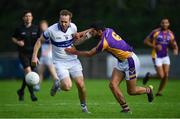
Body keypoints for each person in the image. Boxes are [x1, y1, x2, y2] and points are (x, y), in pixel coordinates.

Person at [65, 22, 154, 113]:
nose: (91, 33)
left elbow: (90, 53)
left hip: (131, 62)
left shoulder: (104, 42)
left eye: (93, 32)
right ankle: (126, 109)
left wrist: (74, 52)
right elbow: (90, 30)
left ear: (99, 31)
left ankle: (148, 90)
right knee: (112, 85)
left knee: (132, 91)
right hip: (121, 61)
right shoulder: (108, 29)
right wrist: (80, 33)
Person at [32, 9, 89, 113]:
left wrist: (86, 37)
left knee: (81, 85)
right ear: (59, 19)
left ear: (70, 21)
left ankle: (84, 107)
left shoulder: (73, 27)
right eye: (61, 21)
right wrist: (34, 56)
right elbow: (39, 40)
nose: (63, 23)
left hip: (73, 60)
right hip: (59, 62)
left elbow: (75, 43)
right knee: (67, 87)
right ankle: (58, 83)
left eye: (65, 22)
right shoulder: (51, 30)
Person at [143, 18, 178, 96]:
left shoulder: (170, 33)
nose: (164, 24)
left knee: (166, 75)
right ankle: (150, 76)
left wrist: (176, 49)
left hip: (165, 56)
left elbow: (173, 43)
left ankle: (159, 92)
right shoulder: (155, 32)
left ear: (169, 24)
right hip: (156, 56)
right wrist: (154, 46)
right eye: (163, 23)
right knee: (161, 76)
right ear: (160, 24)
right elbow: (145, 41)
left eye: (166, 23)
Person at [12, 10, 40, 101]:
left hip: (33, 55)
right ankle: (32, 95)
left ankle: (21, 91)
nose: (28, 18)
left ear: (32, 18)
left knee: (28, 75)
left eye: (30, 16)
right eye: (26, 16)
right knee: (28, 73)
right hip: (23, 54)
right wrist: (17, 42)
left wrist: (36, 55)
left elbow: (40, 40)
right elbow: (13, 37)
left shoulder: (36, 28)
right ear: (23, 18)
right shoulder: (19, 29)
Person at [37, 20, 58, 88]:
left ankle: (58, 85)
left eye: (44, 25)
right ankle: (37, 85)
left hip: (49, 55)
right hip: (43, 56)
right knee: (39, 71)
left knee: (52, 72)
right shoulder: (42, 34)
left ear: (47, 26)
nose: (42, 27)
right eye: (41, 26)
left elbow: (52, 44)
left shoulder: (49, 33)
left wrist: (47, 51)